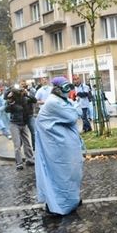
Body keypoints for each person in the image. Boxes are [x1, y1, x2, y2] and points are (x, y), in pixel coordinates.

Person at [35, 76, 83, 216]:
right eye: (66, 88)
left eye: (69, 87)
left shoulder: (62, 100)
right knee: (61, 174)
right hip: (56, 146)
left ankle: (72, 199)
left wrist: (74, 107)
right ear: (57, 89)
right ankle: (58, 204)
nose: (69, 91)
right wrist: (75, 106)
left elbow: (77, 113)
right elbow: (73, 117)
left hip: (63, 144)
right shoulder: (53, 102)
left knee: (72, 172)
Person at [5, 85, 36, 170]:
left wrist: (27, 94)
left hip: (23, 123)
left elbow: (34, 100)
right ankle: (19, 163)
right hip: (14, 124)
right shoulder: (12, 100)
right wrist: (10, 101)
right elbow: (6, 109)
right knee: (17, 144)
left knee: (27, 142)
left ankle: (30, 159)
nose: (20, 93)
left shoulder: (25, 98)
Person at [20, 80, 36, 150]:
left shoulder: (30, 92)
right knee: (20, 134)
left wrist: (27, 94)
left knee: (34, 131)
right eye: (21, 85)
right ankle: (20, 147)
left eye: (24, 85)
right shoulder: (17, 93)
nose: (23, 87)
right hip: (20, 116)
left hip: (30, 115)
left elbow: (34, 100)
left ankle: (35, 147)